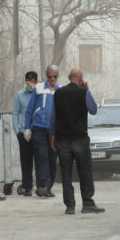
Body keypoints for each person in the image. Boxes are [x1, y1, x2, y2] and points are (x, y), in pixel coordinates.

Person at [51, 68, 104, 215]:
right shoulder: (83, 92)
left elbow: (53, 116)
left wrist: (53, 136)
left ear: (69, 77)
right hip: (79, 138)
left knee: (66, 173)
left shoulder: (58, 93)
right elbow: (93, 110)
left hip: (62, 139)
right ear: (81, 78)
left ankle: (70, 206)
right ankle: (87, 203)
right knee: (84, 171)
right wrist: (87, 90)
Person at [23, 65, 61, 197]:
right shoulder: (38, 88)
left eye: (54, 76)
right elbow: (29, 109)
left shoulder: (61, 91)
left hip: (53, 131)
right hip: (38, 127)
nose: (52, 78)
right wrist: (27, 128)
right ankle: (42, 185)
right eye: (49, 76)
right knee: (41, 156)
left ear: (58, 76)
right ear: (46, 76)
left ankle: (48, 187)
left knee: (52, 158)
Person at [12, 71, 38, 196]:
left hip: (38, 131)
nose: (30, 82)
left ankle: (42, 186)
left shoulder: (39, 94)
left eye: (32, 80)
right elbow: (16, 113)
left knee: (39, 160)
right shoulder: (20, 95)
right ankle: (27, 187)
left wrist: (36, 91)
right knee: (26, 161)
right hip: (24, 132)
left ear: (36, 81)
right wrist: (17, 131)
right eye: (28, 80)